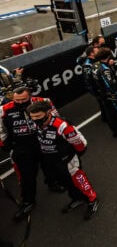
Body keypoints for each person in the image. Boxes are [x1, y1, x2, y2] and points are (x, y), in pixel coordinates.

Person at [27, 101, 100, 219]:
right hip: (51, 159)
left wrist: (73, 155)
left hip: (67, 159)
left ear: (48, 112)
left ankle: (92, 199)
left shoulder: (62, 125)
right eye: (32, 117)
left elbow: (80, 143)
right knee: (65, 181)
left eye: (38, 117)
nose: (35, 120)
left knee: (78, 178)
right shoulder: (34, 123)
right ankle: (77, 198)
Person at [0, 87, 63, 221]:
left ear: (30, 96)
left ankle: (53, 183)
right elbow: (1, 129)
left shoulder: (43, 101)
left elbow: (56, 117)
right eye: (17, 100)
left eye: (24, 99)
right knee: (26, 175)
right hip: (21, 146)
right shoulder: (4, 109)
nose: (20, 102)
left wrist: (56, 135)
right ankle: (28, 202)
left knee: (50, 165)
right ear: (13, 98)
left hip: (42, 140)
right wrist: (5, 143)